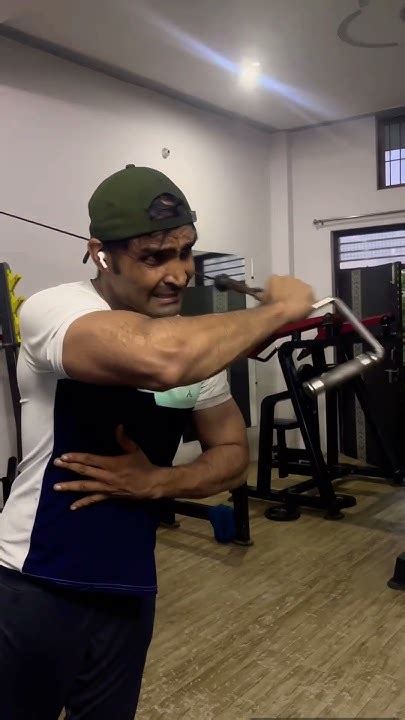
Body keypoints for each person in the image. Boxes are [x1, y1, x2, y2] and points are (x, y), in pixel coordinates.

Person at [0, 164, 314, 720]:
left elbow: (231, 457)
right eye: (154, 257)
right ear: (102, 256)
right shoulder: (59, 309)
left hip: (128, 584)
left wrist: (159, 482)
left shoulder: (191, 343)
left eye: (185, 253)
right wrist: (279, 311)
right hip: (34, 581)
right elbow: (160, 358)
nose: (179, 274)